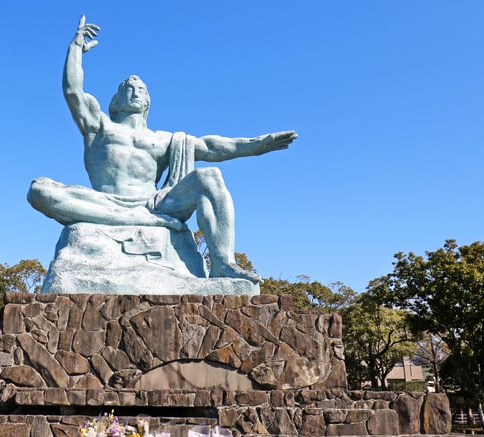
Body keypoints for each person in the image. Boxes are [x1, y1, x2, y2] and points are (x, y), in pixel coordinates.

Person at [28, 15, 297, 284]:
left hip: (153, 204)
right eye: (128, 88)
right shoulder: (99, 127)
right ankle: (131, 218)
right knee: (39, 191)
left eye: (141, 90)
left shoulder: (164, 139)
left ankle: (223, 263)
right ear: (115, 101)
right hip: (106, 201)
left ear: (147, 102)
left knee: (210, 176)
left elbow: (212, 147)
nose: (135, 92)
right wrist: (75, 49)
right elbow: (73, 91)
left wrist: (257, 145)